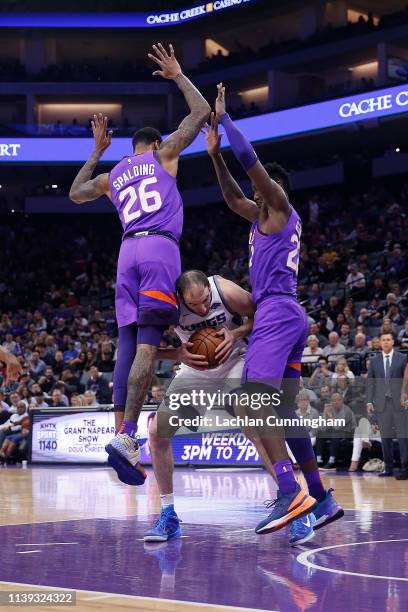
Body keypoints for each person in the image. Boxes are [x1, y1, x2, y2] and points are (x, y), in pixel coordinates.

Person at [204, 84, 342, 541]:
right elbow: (231, 197)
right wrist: (214, 155)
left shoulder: (279, 208)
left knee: (248, 398)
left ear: (272, 190)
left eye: (261, 187)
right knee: (280, 412)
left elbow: (252, 165)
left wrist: (224, 120)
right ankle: (321, 497)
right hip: (279, 315)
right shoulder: (260, 218)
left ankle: (289, 489)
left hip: (279, 314)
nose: (254, 192)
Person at [69, 43, 210, 485]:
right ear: (153, 144)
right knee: (149, 342)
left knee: (127, 342)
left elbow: (75, 193)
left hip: (125, 255)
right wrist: (177, 75)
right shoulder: (163, 154)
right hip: (157, 249)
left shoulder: (112, 176)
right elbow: (202, 111)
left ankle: (120, 437)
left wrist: (96, 150)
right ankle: (129, 438)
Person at [145, 270, 314, 546]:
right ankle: (168, 514)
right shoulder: (168, 305)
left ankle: (298, 507)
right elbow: (144, 349)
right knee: (157, 432)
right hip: (196, 370)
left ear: (209, 290)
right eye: (194, 305)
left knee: (254, 425)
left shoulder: (224, 289)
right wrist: (175, 353)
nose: (201, 308)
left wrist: (235, 333)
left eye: (204, 301)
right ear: (180, 298)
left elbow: (262, 315)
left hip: (237, 359)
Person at [367, 332, 408, 479]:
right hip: (382, 404)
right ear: (380, 343)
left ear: (393, 342)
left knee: (403, 437)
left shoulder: (403, 359)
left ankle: (405, 468)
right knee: (385, 438)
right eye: (383, 340)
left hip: (400, 403)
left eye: (388, 339)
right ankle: (389, 468)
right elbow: (370, 382)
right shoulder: (374, 361)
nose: (385, 342)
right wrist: (369, 401)